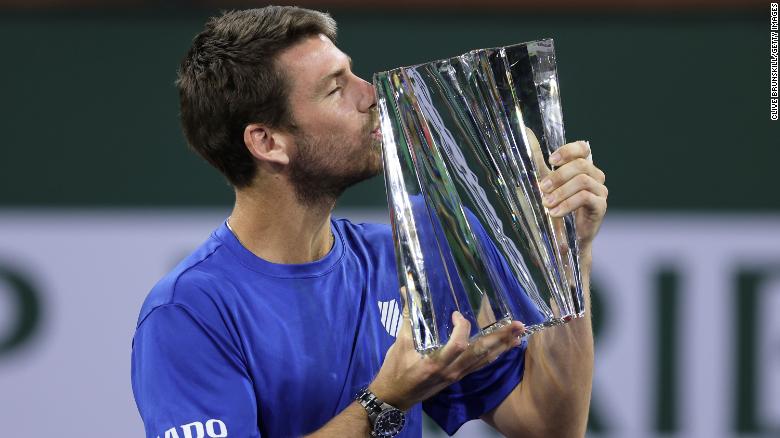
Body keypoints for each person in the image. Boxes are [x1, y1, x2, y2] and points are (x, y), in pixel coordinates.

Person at [130, 6, 608, 438]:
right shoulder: (189, 311)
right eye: (336, 87)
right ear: (268, 142)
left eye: (353, 73)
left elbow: (550, 427)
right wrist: (385, 400)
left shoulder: (417, 252)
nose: (371, 94)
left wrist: (570, 253)